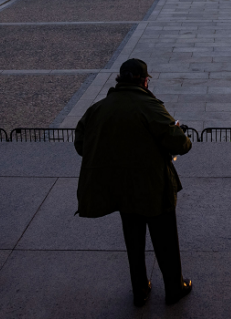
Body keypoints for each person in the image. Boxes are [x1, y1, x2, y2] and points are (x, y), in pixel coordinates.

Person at [75, 58, 193, 307]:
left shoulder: (99, 108)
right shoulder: (149, 106)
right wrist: (181, 134)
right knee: (166, 242)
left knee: (134, 242)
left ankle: (140, 289)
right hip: (154, 187)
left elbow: (80, 144)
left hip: (120, 189)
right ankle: (174, 288)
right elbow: (180, 144)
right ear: (144, 81)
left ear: (120, 80)